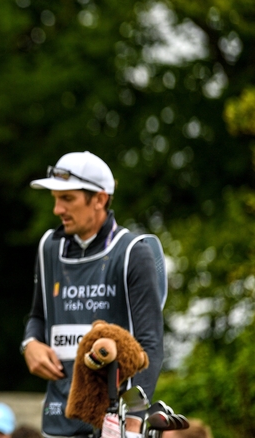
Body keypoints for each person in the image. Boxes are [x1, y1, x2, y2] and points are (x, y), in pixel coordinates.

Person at [21, 151, 165, 438]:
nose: (57, 209)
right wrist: (30, 344)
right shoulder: (48, 247)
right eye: (55, 198)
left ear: (99, 199)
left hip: (114, 425)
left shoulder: (134, 252)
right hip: (57, 418)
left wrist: (134, 421)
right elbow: (38, 315)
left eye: (68, 198)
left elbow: (150, 343)